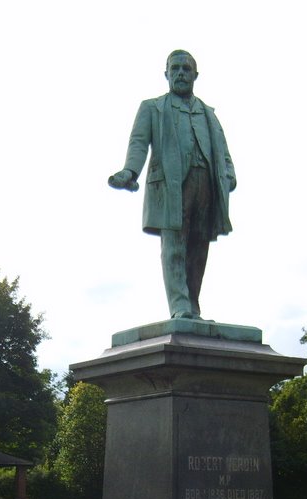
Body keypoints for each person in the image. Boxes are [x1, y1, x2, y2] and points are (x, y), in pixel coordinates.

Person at [109, 50, 236, 320]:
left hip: (206, 185)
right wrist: (130, 171)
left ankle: (193, 306)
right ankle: (180, 306)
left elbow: (222, 149)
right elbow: (138, 143)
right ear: (166, 74)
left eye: (186, 69)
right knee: (174, 246)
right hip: (169, 185)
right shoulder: (152, 107)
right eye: (175, 68)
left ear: (195, 75)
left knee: (199, 247)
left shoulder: (208, 113)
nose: (180, 73)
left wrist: (228, 172)